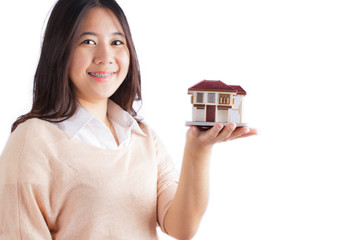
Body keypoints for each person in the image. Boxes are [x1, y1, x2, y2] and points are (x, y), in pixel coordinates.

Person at [0, 0, 257, 239]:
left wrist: (198, 149)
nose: (105, 57)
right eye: (88, 42)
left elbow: (182, 226)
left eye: (116, 42)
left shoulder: (142, 137)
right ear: (60, 49)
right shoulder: (32, 140)